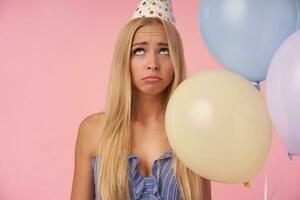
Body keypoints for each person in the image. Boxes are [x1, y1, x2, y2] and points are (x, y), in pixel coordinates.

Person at [70, 0, 211, 199]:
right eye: (139, 50)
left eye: (164, 50)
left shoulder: (193, 131)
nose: (152, 63)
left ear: (176, 59)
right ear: (124, 60)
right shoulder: (93, 131)